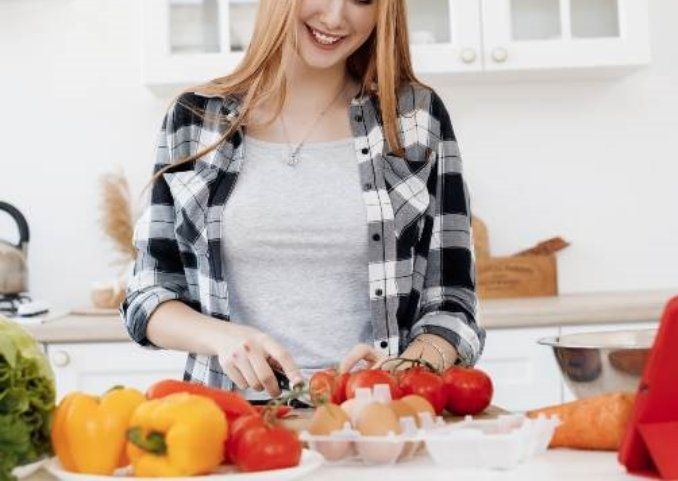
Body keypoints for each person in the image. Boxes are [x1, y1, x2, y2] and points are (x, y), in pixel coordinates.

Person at [120, 0, 485, 401]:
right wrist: (224, 338)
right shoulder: (195, 118)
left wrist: (403, 371)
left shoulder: (415, 118)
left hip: (375, 418)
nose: (335, 16)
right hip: (228, 423)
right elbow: (148, 295)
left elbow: (452, 302)